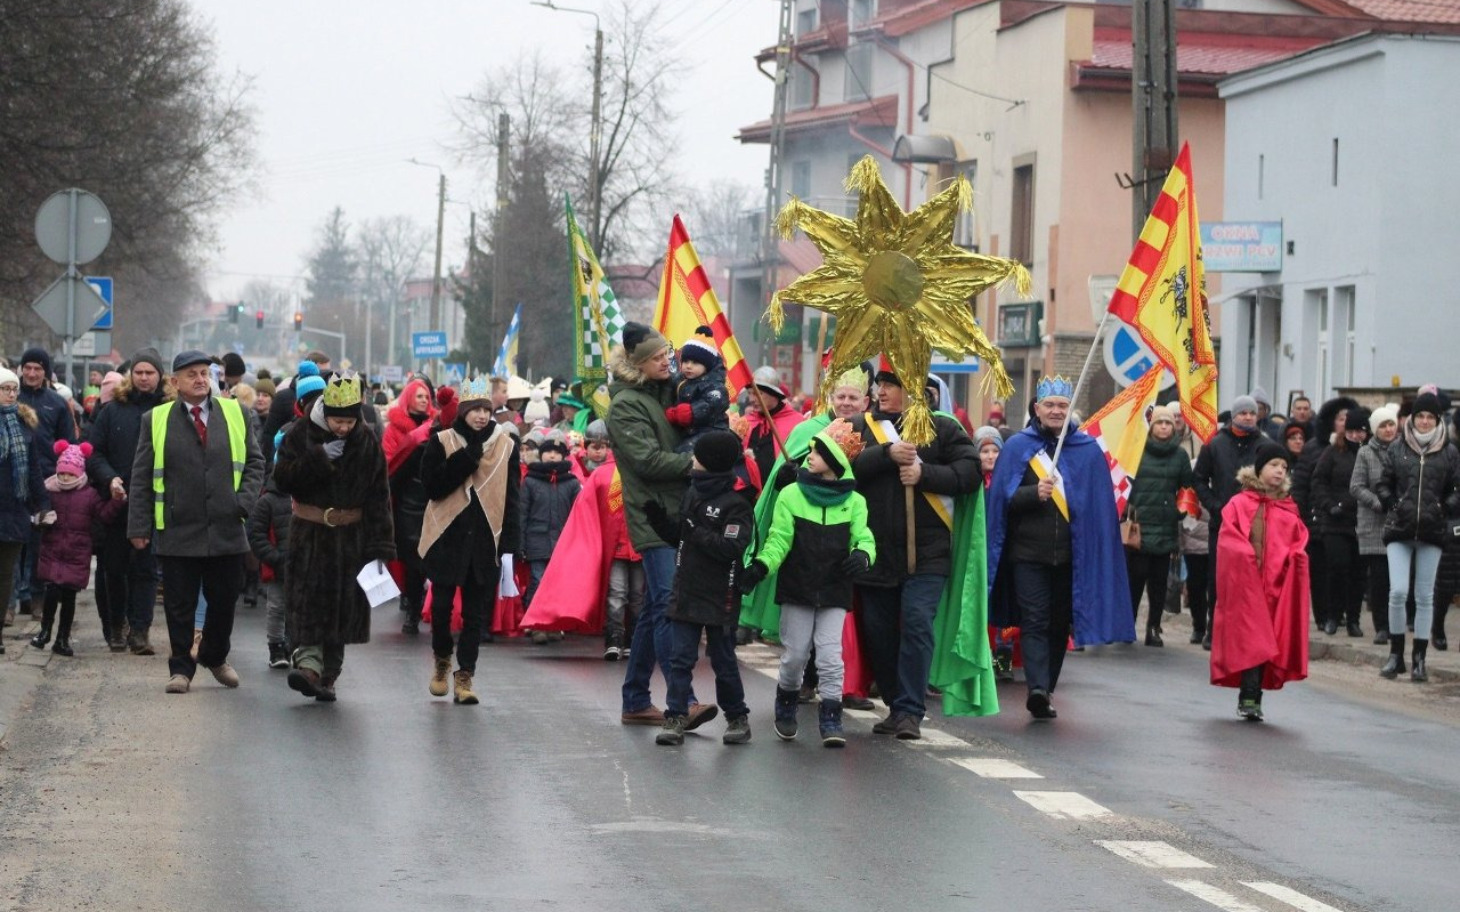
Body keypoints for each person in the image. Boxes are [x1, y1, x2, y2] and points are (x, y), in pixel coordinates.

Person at [852, 359, 990, 738]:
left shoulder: (943, 428)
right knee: (878, 632)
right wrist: (884, 456)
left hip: (928, 553)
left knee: (916, 623)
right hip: (875, 551)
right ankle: (897, 704)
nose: (881, 391)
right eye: (879, 384)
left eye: (890, 384)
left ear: (912, 389)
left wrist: (925, 474)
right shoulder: (861, 428)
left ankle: (912, 710)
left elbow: (971, 473)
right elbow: (839, 467)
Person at [987, 377, 1134, 720]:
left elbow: (1098, 509)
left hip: (1072, 558)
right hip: (1027, 555)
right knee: (1035, 620)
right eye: (1050, 405)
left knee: (1057, 624)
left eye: (1062, 406)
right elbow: (999, 502)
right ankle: (1036, 687)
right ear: (1037, 409)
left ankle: (1046, 689)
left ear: (1070, 411)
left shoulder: (1086, 451)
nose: (1056, 411)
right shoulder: (1018, 447)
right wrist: (1030, 494)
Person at [127, 350, 265, 694]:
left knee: (223, 599)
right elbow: (142, 476)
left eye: (204, 373)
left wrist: (243, 503)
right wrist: (139, 527)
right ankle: (181, 669)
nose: (200, 379)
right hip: (178, 526)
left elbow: (255, 462)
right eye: (192, 374)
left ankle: (215, 656)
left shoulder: (237, 413)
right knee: (179, 604)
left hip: (227, 525)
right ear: (175, 382)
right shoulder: (155, 420)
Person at [606, 322, 713, 729]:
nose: (666, 361)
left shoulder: (666, 390)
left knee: (654, 609)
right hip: (653, 515)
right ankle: (682, 700)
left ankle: (635, 700)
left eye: (666, 354)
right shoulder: (626, 405)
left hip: (680, 511)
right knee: (669, 605)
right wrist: (695, 463)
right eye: (656, 357)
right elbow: (647, 461)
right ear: (637, 364)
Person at [740, 426, 873, 747]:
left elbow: (864, 535)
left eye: (815, 453)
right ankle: (785, 702)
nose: (809, 458)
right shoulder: (791, 494)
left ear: (833, 460)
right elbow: (779, 540)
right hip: (797, 586)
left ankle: (831, 716)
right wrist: (760, 566)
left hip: (834, 589)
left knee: (830, 657)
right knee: (795, 656)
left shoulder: (855, 501)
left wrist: (864, 554)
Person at [270, 374, 394, 701]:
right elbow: (282, 479)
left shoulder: (366, 442)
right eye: (338, 420)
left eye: (350, 421)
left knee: (342, 608)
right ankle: (308, 666)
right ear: (326, 413)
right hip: (309, 534)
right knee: (308, 602)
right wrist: (319, 458)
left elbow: (379, 496)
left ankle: (328, 674)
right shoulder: (301, 433)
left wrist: (381, 546)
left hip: (351, 537)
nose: (344, 428)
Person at [644, 430, 755, 747]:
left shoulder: (737, 504)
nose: (693, 459)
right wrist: (659, 521)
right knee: (680, 659)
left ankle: (737, 717)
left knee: (722, 660)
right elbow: (682, 537)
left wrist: (696, 530)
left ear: (712, 462)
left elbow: (730, 548)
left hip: (722, 595)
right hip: (687, 590)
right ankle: (675, 716)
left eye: (698, 455)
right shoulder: (693, 493)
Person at [418, 378, 520, 705]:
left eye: (485, 409)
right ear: (463, 411)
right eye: (474, 409)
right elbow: (432, 487)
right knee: (443, 606)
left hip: (485, 538)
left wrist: (509, 547)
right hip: (447, 537)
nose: (480, 415)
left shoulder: (505, 446)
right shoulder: (441, 441)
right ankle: (442, 658)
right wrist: (467, 457)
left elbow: (512, 497)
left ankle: (465, 675)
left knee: (476, 613)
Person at [1212, 437, 1310, 721]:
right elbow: (1228, 538)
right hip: (1247, 586)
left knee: (1270, 641)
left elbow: (1298, 540)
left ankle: (1256, 695)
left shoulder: (1288, 508)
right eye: (1273, 465)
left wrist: (1296, 557)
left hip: (1276, 587)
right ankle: (1249, 695)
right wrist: (1244, 558)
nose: (1280, 471)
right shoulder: (1240, 503)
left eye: (1284, 466)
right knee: (1252, 640)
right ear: (1258, 469)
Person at [83, 348, 169, 652]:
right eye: (139, 372)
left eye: (150, 373)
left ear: (160, 376)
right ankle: (116, 625)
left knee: (146, 570)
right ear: (131, 375)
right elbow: (94, 454)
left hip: (154, 503)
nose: (144, 378)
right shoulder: (112, 410)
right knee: (115, 569)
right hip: (117, 503)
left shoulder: (168, 410)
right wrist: (110, 479)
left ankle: (140, 631)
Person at [1375, 391, 1460, 683]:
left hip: (1432, 530)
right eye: (1420, 416)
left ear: (1437, 420)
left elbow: (1456, 488)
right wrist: (1393, 504)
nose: (1424, 422)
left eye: (1430, 417)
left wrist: (1443, 507)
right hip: (1400, 528)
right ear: (1412, 418)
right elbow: (1383, 483)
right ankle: (1395, 655)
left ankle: (1419, 659)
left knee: (1425, 596)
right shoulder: (1398, 447)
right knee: (1398, 591)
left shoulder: (1449, 451)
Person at [31, 442, 122, 654]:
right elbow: (36, 513)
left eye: (69, 474)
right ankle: (45, 630)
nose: (64, 478)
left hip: (76, 554)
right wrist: (39, 520)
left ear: (79, 473)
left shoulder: (89, 495)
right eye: (61, 473)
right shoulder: (49, 491)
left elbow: (103, 514)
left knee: (69, 598)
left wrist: (117, 502)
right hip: (52, 551)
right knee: (51, 592)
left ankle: (62, 638)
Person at [1192, 395, 1267, 649]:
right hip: (1223, 523)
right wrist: (1216, 506)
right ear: (1234, 416)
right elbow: (1199, 479)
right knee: (1219, 579)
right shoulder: (1215, 444)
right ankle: (1215, 630)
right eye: (1243, 413)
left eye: (1252, 413)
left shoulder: (1264, 445)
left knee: (1252, 580)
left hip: (1255, 524)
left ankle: (1246, 631)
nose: (1248, 417)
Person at [9, 347, 77, 624]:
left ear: (46, 372)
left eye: (38, 368)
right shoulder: (12, 398)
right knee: (12, 546)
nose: (32, 373)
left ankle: (36, 599)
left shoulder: (56, 403)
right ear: (21, 370)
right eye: (28, 368)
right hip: (14, 482)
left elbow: (67, 443)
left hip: (47, 483)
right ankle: (10, 603)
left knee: (39, 546)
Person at [1125, 405, 1196, 647]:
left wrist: (1179, 512)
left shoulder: (1180, 456)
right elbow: (1125, 484)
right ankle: (1128, 625)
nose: (1164, 426)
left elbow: (1188, 489)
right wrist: (1129, 510)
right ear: (1151, 426)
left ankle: (1154, 627)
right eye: (1159, 423)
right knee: (1134, 581)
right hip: (1139, 528)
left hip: (1165, 528)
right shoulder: (1137, 452)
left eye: (1167, 423)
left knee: (1158, 584)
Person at [1292, 396, 1358, 635]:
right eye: (1341, 419)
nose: (1345, 423)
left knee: (1346, 569)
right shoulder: (1314, 448)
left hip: (1348, 520)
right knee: (1320, 571)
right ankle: (1323, 615)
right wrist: (1301, 515)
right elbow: (1301, 485)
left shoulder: (1357, 449)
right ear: (1333, 422)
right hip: (1317, 517)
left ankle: (1343, 614)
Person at [383, 378, 437, 634]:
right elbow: (390, 465)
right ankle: (413, 608)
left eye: (426, 396)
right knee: (413, 562)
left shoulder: (438, 428)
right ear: (408, 399)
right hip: (408, 506)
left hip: (433, 504)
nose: (424, 400)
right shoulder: (394, 429)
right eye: (419, 396)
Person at [1311, 406, 1371, 638]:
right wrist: (1329, 505)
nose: (1357, 435)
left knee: (1358, 574)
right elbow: (1319, 481)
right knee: (1337, 569)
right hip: (1336, 522)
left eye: (1361, 431)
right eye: (1353, 431)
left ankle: (1354, 619)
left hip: (1362, 523)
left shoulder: (1369, 453)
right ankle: (1333, 617)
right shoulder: (1332, 452)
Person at [0, 368, 48, 641]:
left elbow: (33, 470)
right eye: (4, 389)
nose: (10, 394)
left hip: (15, 510)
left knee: (6, 574)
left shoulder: (23, 425)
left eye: (13, 389)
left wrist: (42, 504)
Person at [520, 431, 581, 643]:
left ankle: (554, 624)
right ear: (541, 455)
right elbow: (522, 514)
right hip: (536, 539)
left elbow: (578, 515)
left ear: (564, 456)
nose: (552, 456)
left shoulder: (571, 482)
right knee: (538, 580)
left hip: (562, 542)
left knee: (557, 584)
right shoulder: (530, 480)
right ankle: (537, 624)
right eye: (548, 452)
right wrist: (521, 543)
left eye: (557, 452)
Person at [1350, 404, 1399, 645]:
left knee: (1397, 579)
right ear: (1374, 430)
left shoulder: (1404, 450)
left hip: (1400, 521)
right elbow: (1356, 486)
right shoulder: (1365, 453)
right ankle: (1382, 626)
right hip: (1374, 523)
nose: (1388, 429)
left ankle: (1397, 623)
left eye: (1391, 424)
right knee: (1379, 579)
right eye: (1383, 426)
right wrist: (1379, 502)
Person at [246, 476, 292, 669]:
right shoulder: (267, 501)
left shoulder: (308, 497)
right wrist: (275, 558)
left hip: (304, 566)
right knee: (277, 607)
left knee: (301, 609)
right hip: (278, 567)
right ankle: (277, 648)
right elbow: (257, 535)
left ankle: (296, 646)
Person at [666, 328, 730, 452]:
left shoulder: (715, 385)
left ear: (707, 366)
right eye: (685, 361)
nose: (688, 366)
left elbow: (712, 404)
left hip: (711, 432)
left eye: (695, 362)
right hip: (690, 432)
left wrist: (690, 412)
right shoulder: (681, 379)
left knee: (684, 454)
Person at [745, 365, 805, 483]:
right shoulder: (745, 422)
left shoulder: (797, 423)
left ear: (774, 394)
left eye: (758, 393)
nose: (751, 399)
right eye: (750, 393)